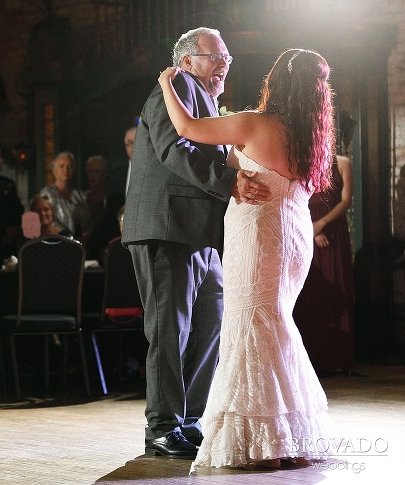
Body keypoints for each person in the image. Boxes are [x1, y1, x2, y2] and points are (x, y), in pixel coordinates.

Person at [159, 48, 337, 470]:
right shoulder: (313, 134)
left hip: (258, 234)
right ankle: (285, 437)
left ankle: (261, 444)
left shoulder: (254, 123)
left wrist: (167, 81)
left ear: (275, 82)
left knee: (251, 325)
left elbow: (184, 126)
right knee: (274, 324)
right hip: (294, 238)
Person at [122, 28, 266, 459]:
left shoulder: (204, 98)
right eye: (214, 56)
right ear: (186, 61)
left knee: (210, 324)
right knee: (170, 331)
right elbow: (173, 148)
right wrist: (230, 181)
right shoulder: (178, 85)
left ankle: (187, 420)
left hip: (199, 233)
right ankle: (163, 427)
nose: (224, 63)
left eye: (227, 57)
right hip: (166, 227)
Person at [293, 154, 355, 375]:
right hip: (304, 229)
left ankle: (338, 358)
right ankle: (311, 360)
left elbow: (346, 200)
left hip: (333, 233)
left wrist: (321, 224)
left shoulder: (343, 163)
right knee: (310, 292)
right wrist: (310, 230)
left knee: (338, 286)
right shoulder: (301, 161)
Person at [37, 151, 91, 240]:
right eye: (61, 166)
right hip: (56, 243)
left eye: (69, 166)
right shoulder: (47, 193)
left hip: (80, 244)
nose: (65, 170)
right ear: (55, 170)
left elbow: (88, 220)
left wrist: (85, 235)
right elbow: (47, 221)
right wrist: (69, 237)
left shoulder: (79, 195)